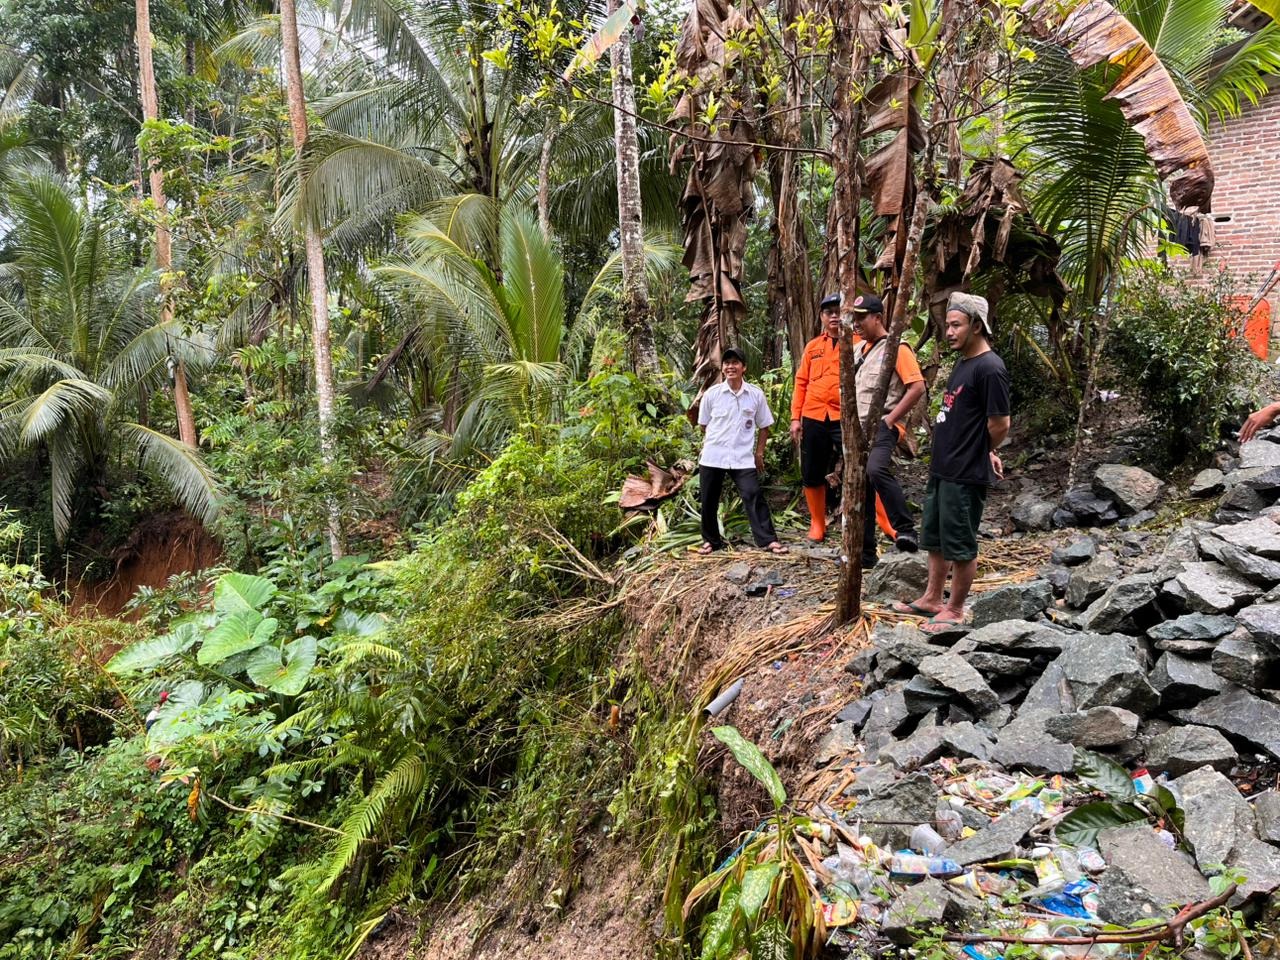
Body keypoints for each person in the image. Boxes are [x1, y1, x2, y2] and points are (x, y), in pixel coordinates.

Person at [894, 292, 1010, 634]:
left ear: (977, 326)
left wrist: (983, 449)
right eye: (947, 325)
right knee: (936, 537)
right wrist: (985, 447)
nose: (949, 331)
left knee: (960, 542)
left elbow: (1000, 423)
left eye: (956, 325)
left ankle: (956, 609)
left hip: (964, 471)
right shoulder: (964, 364)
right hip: (945, 467)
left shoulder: (991, 368)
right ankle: (932, 598)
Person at [790, 292, 900, 547]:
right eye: (829, 313)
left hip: (848, 418)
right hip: (814, 415)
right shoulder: (813, 347)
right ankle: (817, 523)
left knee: (865, 468)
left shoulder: (861, 344)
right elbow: (801, 382)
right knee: (811, 471)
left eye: (839, 312)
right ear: (822, 317)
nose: (835, 317)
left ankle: (886, 523)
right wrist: (796, 418)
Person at [850, 293, 924, 565]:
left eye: (861, 318)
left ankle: (906, 529)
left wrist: (892, 419)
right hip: (858, 428)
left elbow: (917, 387)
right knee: (862, 487)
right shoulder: (859, 350)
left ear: (877, 317)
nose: (856, 324)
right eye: (854, 318)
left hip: (882, 424)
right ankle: (866, 552)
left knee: (876, 469)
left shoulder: (897, 348)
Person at [697, 347, 787, 555]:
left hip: (742, 458)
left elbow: (764, 426)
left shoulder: (755, 395)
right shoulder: (712, 395)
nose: (730, 366)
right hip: (713, 456)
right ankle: (711, 541)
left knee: (752, 494)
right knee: (709, 499)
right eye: (727, 363)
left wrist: (759, 453)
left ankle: (768, 540)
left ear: (743, 367)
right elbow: (704, 425)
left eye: (735, 362)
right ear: (723, 368)